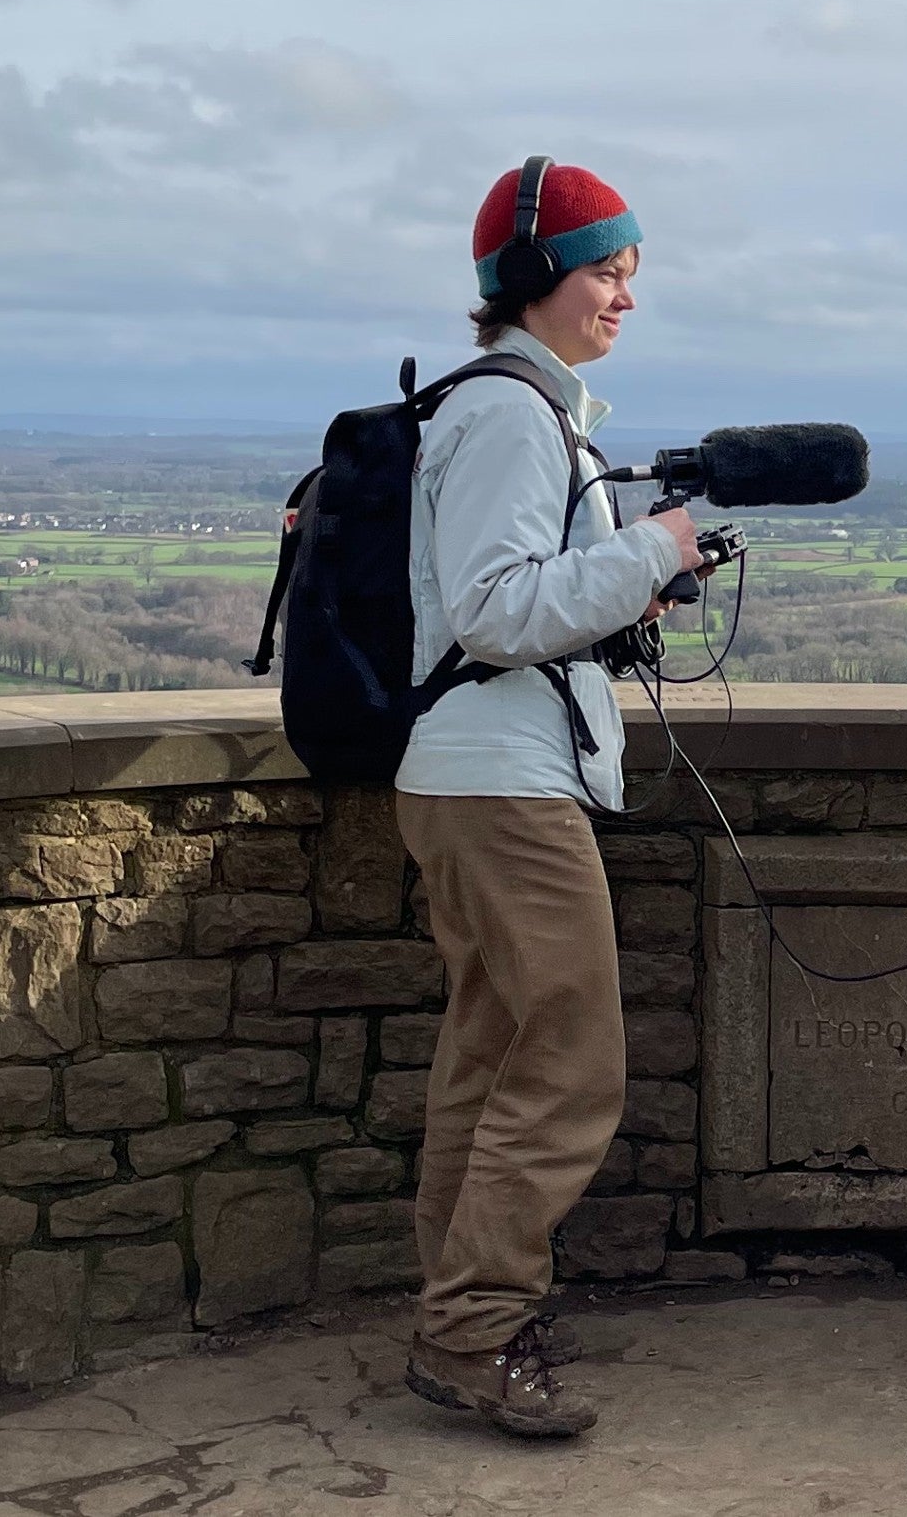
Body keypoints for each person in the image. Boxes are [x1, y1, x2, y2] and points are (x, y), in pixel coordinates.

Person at [393, 157, 699, 1438]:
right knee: (572, 1062)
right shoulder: (515, 415)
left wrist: (626, 580)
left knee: (489, 1053)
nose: (625, 296)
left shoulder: (504, 409)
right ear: (532, 276)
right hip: (503, 786)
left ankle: (458, 1311)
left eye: (631, 275)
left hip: (464, 774)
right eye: (604, 273)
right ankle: (475, 1328)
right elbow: (495, 609)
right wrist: (650, 551)